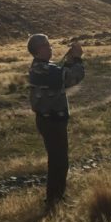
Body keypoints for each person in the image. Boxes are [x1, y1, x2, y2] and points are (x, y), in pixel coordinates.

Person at [27, 34, 85, 211]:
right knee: (59, 160)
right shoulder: (44, 69)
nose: (50, 48)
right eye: (47, 45)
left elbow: (60, 78)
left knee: (58, 159)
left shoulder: (43, 67)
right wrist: (77, 58)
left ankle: (56, 197)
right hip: (51, 121)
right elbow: (72, 77)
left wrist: (68, 62)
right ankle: (54, 199)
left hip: (49, 119)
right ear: (38, 50)